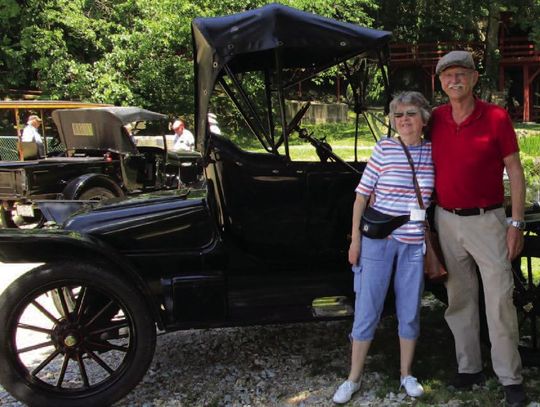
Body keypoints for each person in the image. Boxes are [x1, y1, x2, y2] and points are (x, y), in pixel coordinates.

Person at [431, 50, 527, 407]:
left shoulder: (496, 117)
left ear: (473, 78)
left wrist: (515, 223)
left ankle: (510, 377)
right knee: (460, 298)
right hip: (447, 219)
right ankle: (469, 368)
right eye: (447, 76)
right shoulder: (436, 118)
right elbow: (404, 130)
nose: (454, 80)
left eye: (460, 74)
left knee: (500, 299)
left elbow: (515, 172)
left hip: (488, 220)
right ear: (440, 83)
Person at [333, 91, 434, 404]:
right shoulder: (384, 148)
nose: (404, 119)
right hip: (378, 242)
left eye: (411, 114)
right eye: (398, 114)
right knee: (367, 310)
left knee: (409, 310)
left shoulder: (433, 152)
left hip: (413, 244)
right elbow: (361, 196)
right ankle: (353, 378)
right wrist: (355, 240)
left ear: (424, 119)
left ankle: (406, 374)